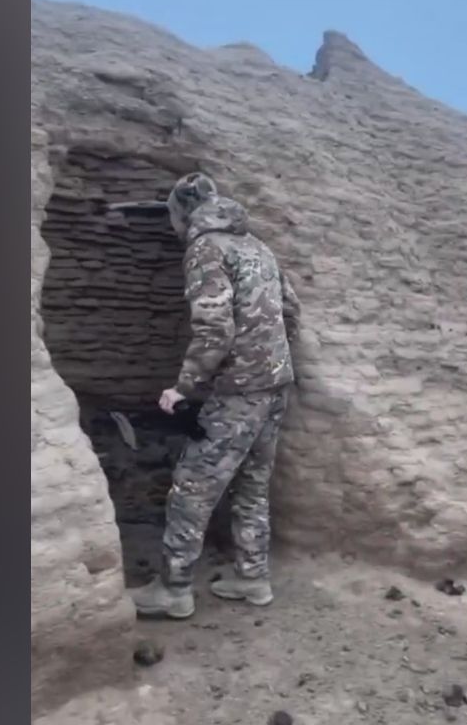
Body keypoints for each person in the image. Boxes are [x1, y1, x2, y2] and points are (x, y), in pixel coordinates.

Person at [128, 172, 300, 619]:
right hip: (275, 386)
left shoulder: (206, 248)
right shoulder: (258, 247)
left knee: (191, 486)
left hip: (240, 392)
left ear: (183, 212)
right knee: (252, 484)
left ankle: (174, 588)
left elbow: (214, 329)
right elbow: (290, 310)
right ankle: (252, 577)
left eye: (171, 216)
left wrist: (182, 387)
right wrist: (270, 361)